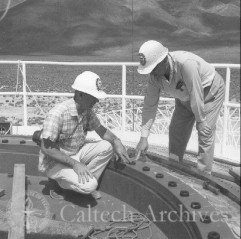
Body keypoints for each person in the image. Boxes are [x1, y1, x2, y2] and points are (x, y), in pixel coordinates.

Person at [135, 40, 225, 174]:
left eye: (153, 68)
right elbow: (149, 105)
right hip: (185, 97)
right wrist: (143, 138)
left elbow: (196, 92)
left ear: (164, 60)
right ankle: (175, 168)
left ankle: (204, 175)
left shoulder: (186, 64)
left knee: (205, 132)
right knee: (176, 130)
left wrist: (200, 120)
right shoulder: (154, 77)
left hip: (209, 93)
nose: (151, 73)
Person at [38, 71, 130, 199]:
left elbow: (102, 131)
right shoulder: (57, 114)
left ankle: (81, 178)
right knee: (89, 186)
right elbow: (46, 148)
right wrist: (75, 164)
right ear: (80, 95)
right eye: (93, 97)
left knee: (107, 146)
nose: (97, 100)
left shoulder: (87, 111)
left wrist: (116, 141)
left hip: (75, 153)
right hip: (55, 161)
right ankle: (57, 183)